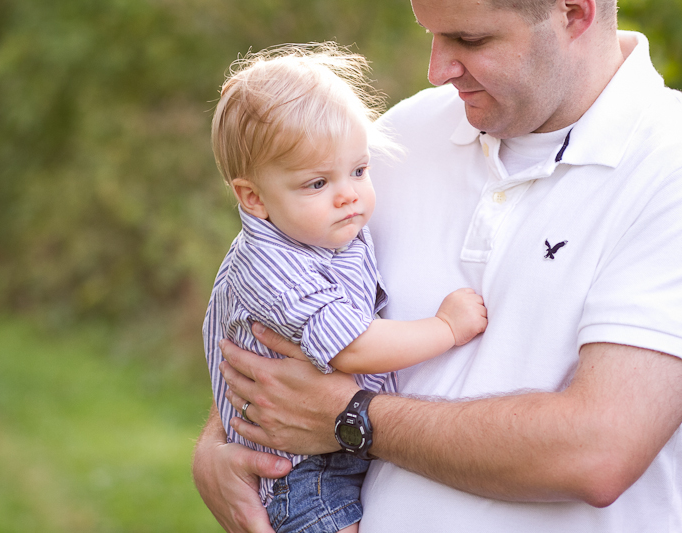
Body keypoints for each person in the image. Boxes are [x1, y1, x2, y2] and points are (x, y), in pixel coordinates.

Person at [193, 0, 682, 531]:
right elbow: (276, 302)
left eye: (470, 39)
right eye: (431, 33)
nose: (437, 70)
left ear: (574, 13)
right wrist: (217, 448)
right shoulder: (396, 140)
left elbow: (597, 452)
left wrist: (352, 418)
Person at [203, 44, 487, 533]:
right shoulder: (272, 269)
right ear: (254, 198)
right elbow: (352, 346)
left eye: (358, 170)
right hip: (302, 473)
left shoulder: (324, 232)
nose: (348, 194)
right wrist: (446, 328)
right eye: (317, 183)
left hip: (337, 451)